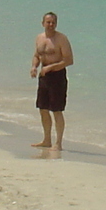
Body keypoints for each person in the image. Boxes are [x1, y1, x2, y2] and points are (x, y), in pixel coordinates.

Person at [30, 10, 74, 150]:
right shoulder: (39, 38)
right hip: (44, 76)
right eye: (48, 22)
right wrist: (34, 67)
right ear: (43, 23)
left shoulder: (61, 39)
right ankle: (46, 139)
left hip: (57, 76)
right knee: (43, 108)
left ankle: (58, 143)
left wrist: (51, 68)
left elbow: (69, 60)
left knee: (56, 110)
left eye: (53, 22)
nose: (51, 25)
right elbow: (37, 55)